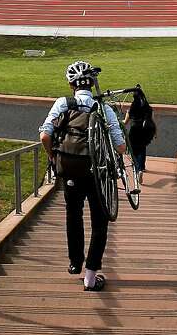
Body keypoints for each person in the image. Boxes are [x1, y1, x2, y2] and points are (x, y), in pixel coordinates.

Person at [38, 60, 126, 292]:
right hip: (99, 175)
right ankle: (90, 277)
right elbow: (120, 147)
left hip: (70, 170)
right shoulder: (103, 108)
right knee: (100, 222)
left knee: (73, 215)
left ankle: (74, 262)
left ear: (71, 84)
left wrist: (52, 157)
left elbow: (45, 136)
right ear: (93, 82)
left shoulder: (63, 104)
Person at [122, 87, 157, 184]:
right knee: (142, 148)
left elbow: (125, 122)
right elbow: (153, 121)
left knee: (134, 150)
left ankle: (138, 168)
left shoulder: (131, 108)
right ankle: (141, 168)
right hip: (146, 131)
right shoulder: (148, 108)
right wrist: (156, 133)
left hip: (134, 130)